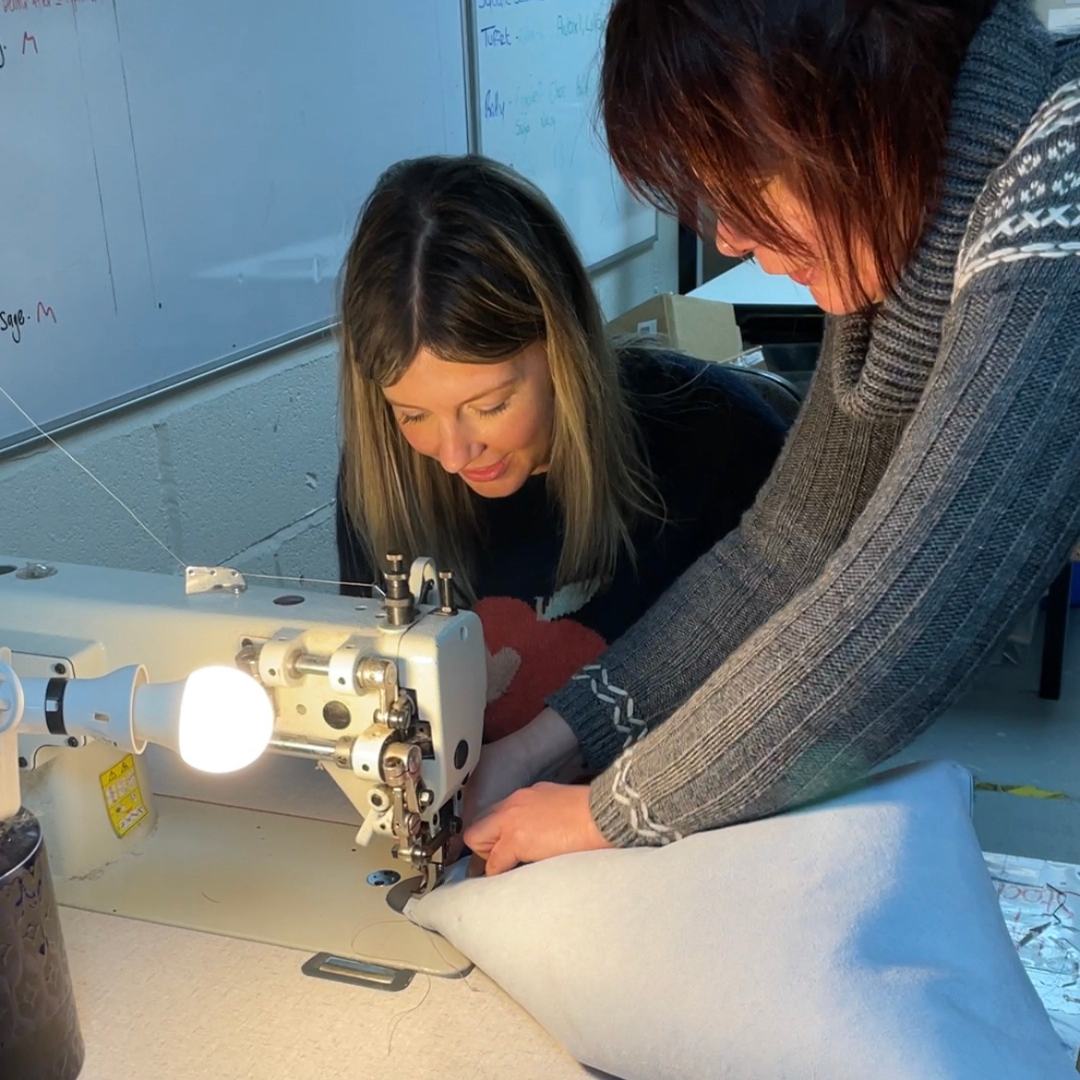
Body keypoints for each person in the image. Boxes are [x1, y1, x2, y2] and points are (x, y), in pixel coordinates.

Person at [464, 0, 1080, 875]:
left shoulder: (1062, 179)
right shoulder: (906, 252)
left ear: (862, 95)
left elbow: (900, 612)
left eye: (748, 182)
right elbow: (787, 551)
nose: (731, 237)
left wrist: (605, 815)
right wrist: (542, 745)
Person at [335, 155, 788, 745]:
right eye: (413, 415)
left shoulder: (719, 437)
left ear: (561, 347)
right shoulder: (384, 479)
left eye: (490, 405)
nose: (453, 454)